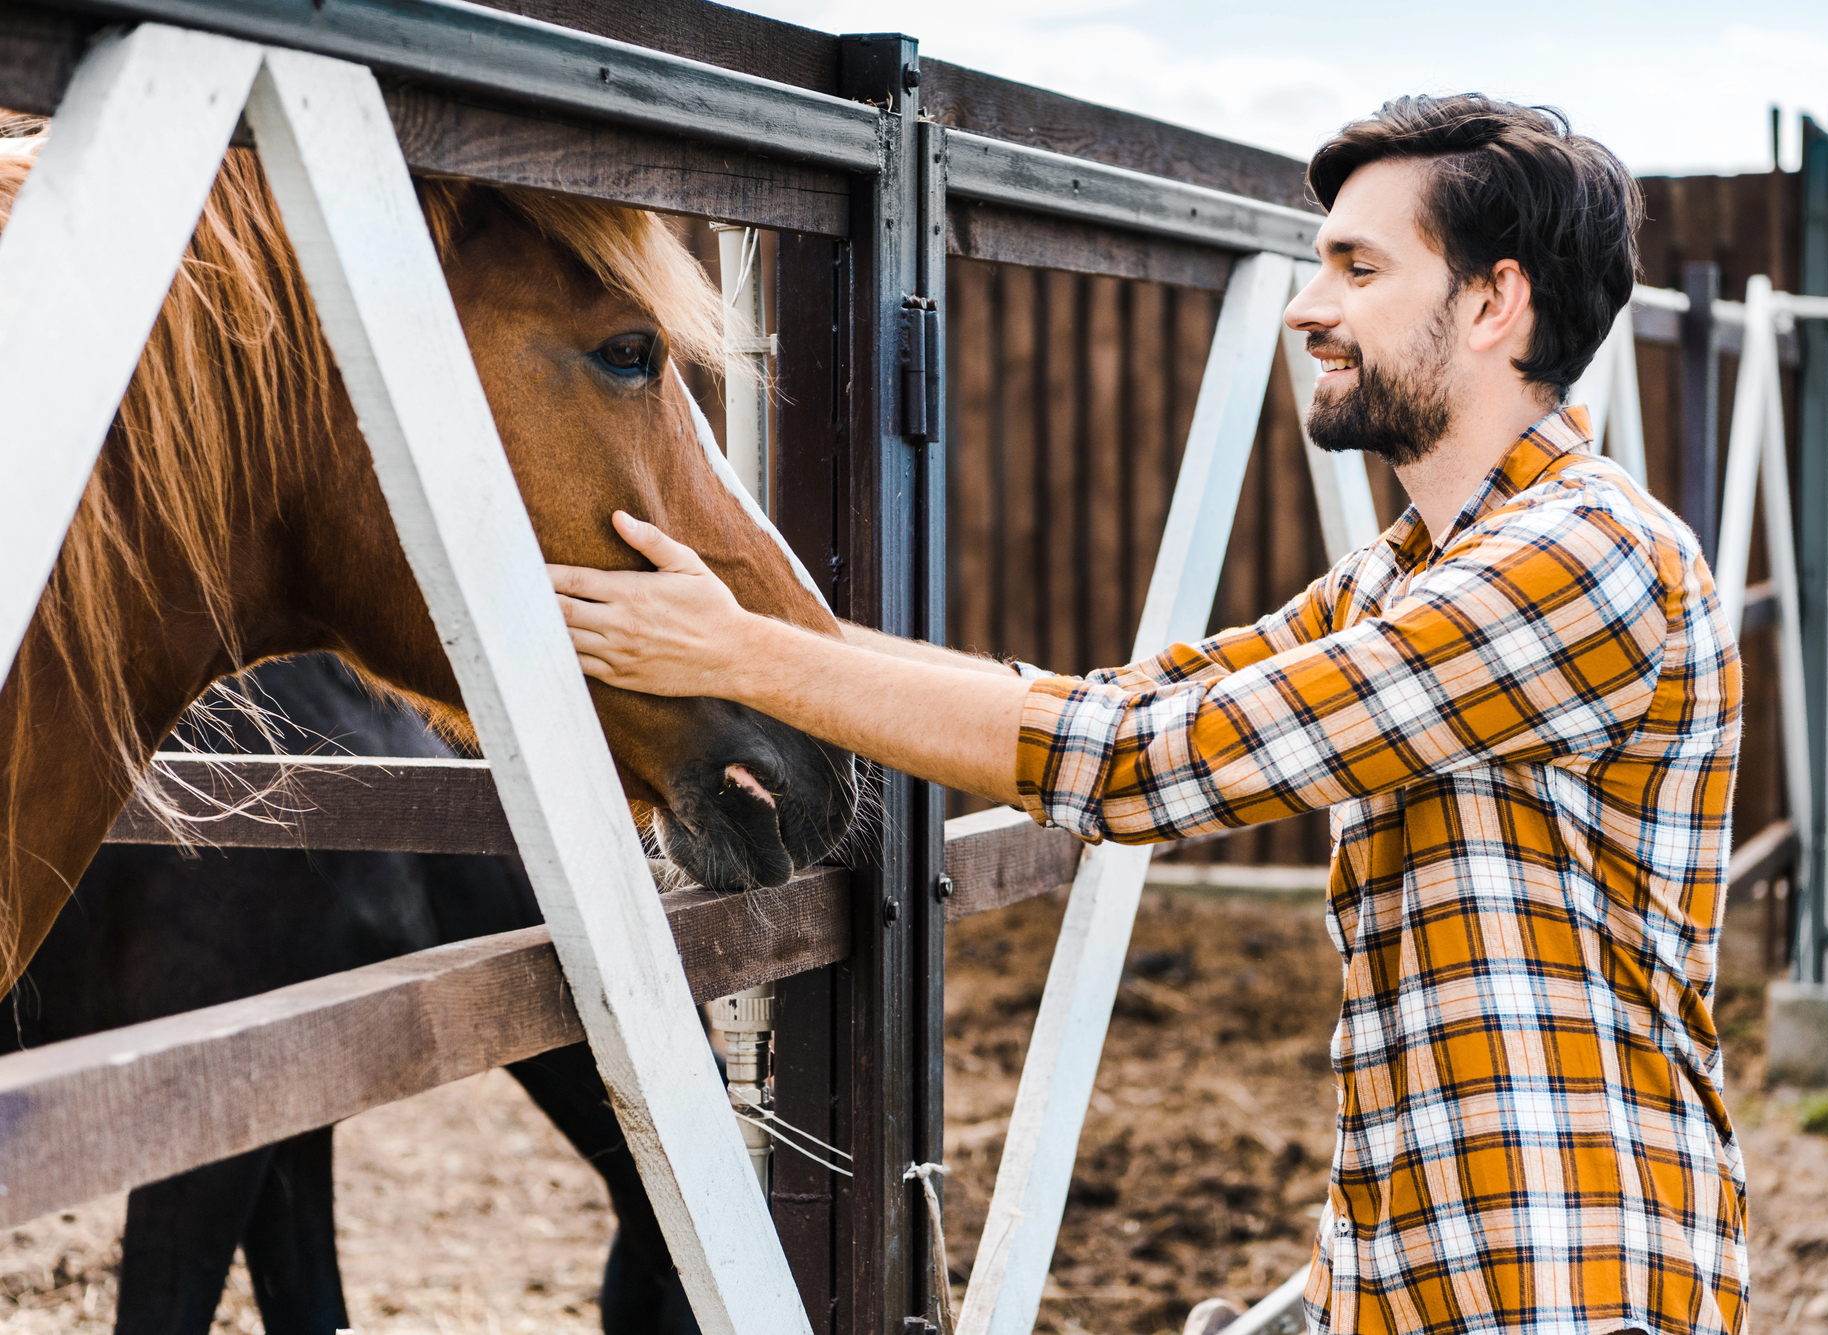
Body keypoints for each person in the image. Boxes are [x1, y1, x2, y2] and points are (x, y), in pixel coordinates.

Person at [550, 94, 1745, 1335]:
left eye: (1357, 269)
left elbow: (1144, 766)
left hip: (1572, 1282)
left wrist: (747, 658)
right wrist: (769, 638)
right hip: (1431, 1269)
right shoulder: (1411, 575)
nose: (1306, 308)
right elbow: (1131, 701)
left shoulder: (1582, 560)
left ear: (1493, 303)